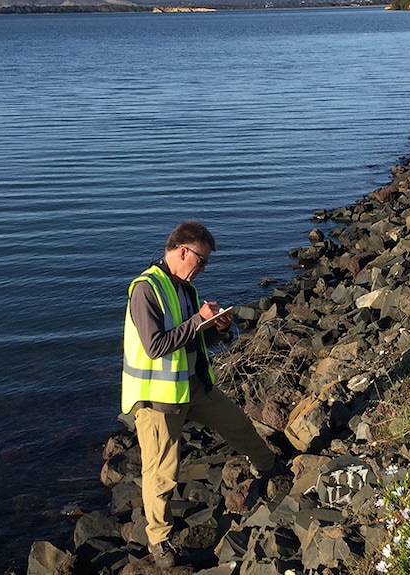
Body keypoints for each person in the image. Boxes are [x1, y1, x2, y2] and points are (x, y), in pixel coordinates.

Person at [121, 220, 278, 569]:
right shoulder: (146, 289)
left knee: (237, 424)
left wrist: (216, 328)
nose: (203, 269)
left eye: (206, 263)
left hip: (192, 385)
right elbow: (156, 345)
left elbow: (191, 339)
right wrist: (198, 322)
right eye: (201, 261)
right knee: (161, 472)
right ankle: (159, 542)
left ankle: (270, 469)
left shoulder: (184, 289)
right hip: (157, 399)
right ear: (182, 251)